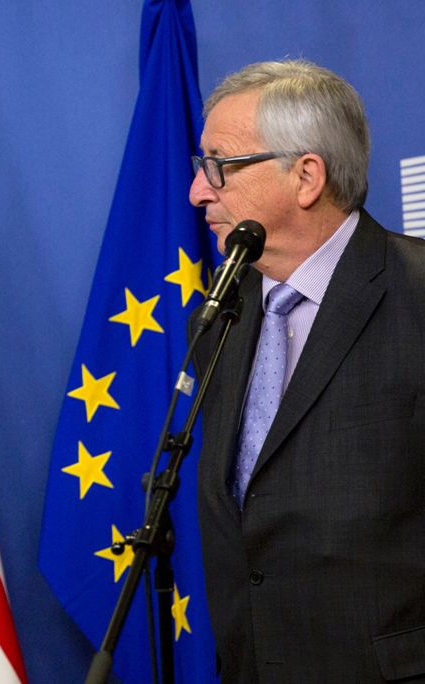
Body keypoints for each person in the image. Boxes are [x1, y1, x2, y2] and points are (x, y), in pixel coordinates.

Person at [189, 60, 425, 683]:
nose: (199, 192)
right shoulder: (220, 316)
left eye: (219, 166)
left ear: (306, 176)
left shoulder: (418, 294)